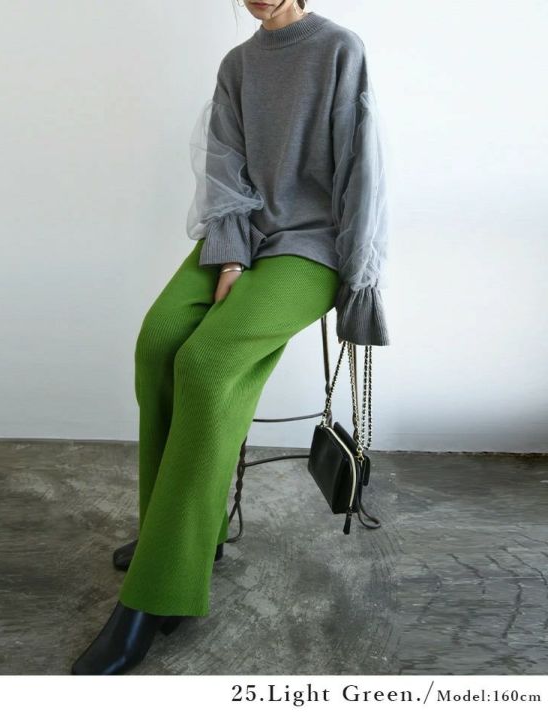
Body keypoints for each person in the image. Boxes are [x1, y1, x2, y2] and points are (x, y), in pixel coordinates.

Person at [70, 0, 390, 675]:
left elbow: (362, 171)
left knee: (208, 362)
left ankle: (155, 592)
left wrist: (360, 283)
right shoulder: (238, 64)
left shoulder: (339, 49)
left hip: (312, 249)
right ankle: (185, 535)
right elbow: (225, 164)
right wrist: (233, 256)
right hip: (242, 234)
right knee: (159, 342)